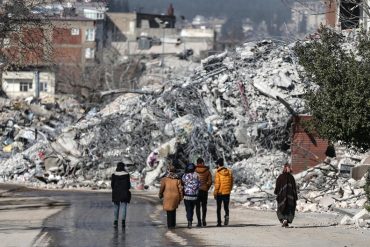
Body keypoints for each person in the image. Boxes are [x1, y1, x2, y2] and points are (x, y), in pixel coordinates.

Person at [159, 164, 183, 229]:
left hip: (167, 196)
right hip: (175, 196)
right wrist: (181, 197)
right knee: (173, 210)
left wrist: (160, 194)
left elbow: (162, 188)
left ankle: (170, 225)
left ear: (168, 170)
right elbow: (180, 189)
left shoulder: (164, 179)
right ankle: (173, 224)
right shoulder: (177, 179)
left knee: (169, 211)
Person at [274, 163, 298, 227]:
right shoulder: (290, 177)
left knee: (284, 207)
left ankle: (284, 220)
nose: (288, 169)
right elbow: (294, 188)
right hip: (288, 196)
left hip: (284, 196)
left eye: (289, 168)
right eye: (287, 168)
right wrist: (295, 196)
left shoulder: (283, 177)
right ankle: (286, 220)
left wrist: (276, 192)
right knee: (287, 208)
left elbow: (294, 188)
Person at [111, 162, 131, 228]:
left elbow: (112, 185)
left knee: (116, 207)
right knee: (124, 207)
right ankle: (123, 222)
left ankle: (115, 221)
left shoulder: (114, 175)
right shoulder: (127, 175)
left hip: (116, 192)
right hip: (124, 193)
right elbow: (129, 185)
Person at [213, 158, 233, 227]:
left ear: (218, 164)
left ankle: (219, 222)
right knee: (226, 207)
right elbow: (231, 182)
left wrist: (215, 193)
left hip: (220, 193)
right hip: (227, 193)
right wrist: (229, 190)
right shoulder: (229, 172)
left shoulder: (218, 173)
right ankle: (227, 216)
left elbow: (217, 184)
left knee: (218, 208)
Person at [182, 163, 200, 229]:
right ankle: (190, 220)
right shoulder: (197, 175)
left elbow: (183, 183)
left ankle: (189, 220)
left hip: (187, 195)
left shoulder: (184, 175)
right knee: (192, 209)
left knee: (188, 208)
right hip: (194, 195)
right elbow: (199, 184)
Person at [195, 157, 212, 227]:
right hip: (204, 190)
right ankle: (203, 220)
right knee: (204, 206)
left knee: (197, 207)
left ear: (197, 163)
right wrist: (207, 187)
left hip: (197, 190)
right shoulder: (207, 171)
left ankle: (199, 222)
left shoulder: (194, 170)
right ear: (202, 162)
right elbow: (210, 181)